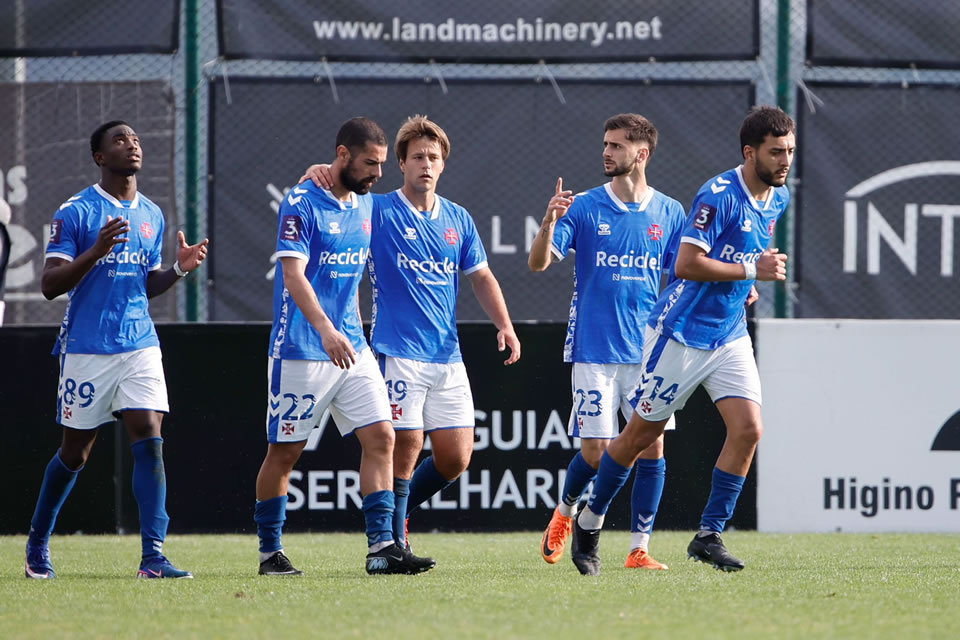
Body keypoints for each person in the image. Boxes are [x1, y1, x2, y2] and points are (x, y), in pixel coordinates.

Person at [570, 105, 794, 574]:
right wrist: (753, 269)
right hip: (681, 334)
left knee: (749, 429)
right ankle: (589, 523)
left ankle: (709, 535)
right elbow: (687, 265)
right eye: (777, 152)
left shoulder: (778, 196)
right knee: (638, 437)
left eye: (791, 151)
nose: (786, 160)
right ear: (750, 153)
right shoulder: (718, 194)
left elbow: (740, 252)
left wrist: (744, 277)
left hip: (729, 332)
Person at [302, 115, 521, 556]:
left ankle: (396, 516)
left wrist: (505, 324)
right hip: (396, 351)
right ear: (400, 163)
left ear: (443, 166)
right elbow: (331, 192)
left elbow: (480, 277)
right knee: (404, 447)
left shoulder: (458, 218)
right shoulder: (377, 209)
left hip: (447, 356)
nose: (426, 163)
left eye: (434, 157)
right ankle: (390, 541)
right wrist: (313, 173)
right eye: (417, 156)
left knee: (456, 457)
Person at [25, 120, 209, 579]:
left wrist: (179, 270)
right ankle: (37, 543)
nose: (133, 145)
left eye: (136, 139)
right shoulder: (77, 212)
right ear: (100, 158)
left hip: (139, 342)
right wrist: (94, 252)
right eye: (120, 140)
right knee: (76, 452)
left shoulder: (151, 214)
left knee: (149, 438)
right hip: (87, 345)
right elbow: (49, 285)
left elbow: (144, 286)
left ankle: (153, 556)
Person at [254, 117, 435, 577]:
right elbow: (293, 275)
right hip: (302, 347)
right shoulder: (300, 202)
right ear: (342, 156)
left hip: (353, 347)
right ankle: (269, 552)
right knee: (285, 453)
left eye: (380, 164)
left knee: (382, 437)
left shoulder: (367, 203)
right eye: (369, 163)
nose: (377, 172)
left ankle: (382, 548)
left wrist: (342, 333)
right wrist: (324, 330)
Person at [528, 114, 687, 572]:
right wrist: (547, 221)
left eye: (617, 146)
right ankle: (565, 512)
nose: (606, 152)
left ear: (642, 154)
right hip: (593, 350)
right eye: (605, 144)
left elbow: (687, 272)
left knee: (651, 447)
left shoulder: (670, 212)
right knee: (597, 453)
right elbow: (539, 264)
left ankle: (638, 548)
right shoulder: (583, 207)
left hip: (647, 353)